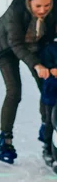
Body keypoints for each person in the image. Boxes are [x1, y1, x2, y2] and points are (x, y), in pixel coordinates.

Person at [0, 0, 57, 165]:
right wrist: (37, 65)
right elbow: (16, 44)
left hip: (34, 46)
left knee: (47, 86)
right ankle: (5, 140)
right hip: (6, 47)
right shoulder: (16, 10)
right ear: (29, 1)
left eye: (47, 6)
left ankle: (47, 132)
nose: (43, 10)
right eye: (38, 6)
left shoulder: (54, 8)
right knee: (14, 91)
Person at [38, 42, 57, 173]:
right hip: (52, 94)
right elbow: (48, 69)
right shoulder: (50, 48)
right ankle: (49, 149)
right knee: (51, 123)